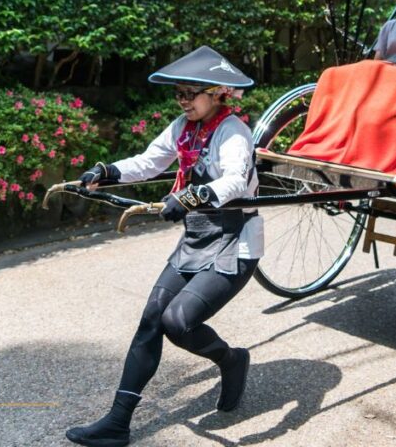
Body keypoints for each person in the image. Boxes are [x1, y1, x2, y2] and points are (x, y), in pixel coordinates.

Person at [65, 45, 263, 447]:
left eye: (191, 93)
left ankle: (231, 359)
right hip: (197, 237)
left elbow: (234, 182)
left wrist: (188, 196)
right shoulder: (183, 128)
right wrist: (107, 171)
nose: (184, 101)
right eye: (179, 94)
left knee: (179, 322)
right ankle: (118, 421)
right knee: (152, 318)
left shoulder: (233, 132)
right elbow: (149, 161)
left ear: (218, 94)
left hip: (234, 242)